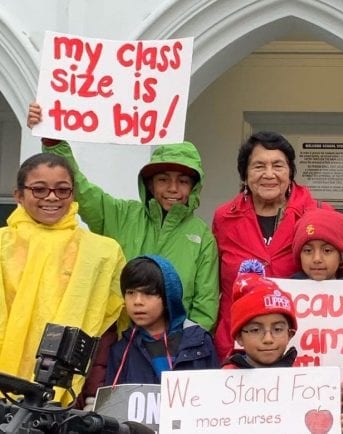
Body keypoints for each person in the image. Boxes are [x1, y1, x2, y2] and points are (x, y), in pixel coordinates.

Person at [27, 103, 219, 332]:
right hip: (119, 343)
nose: (173, 188)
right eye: (163, 179)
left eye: (183, 181)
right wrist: (53, 143)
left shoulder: (202, 236)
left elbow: (205, 307)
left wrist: (185, 348)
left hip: (174, 353)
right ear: (149, 184)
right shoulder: (122, 215)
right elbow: (83, 190)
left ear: (194, 187)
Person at [0, 153, 125, 401]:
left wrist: (93, 390)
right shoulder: (3, 244)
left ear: (73, 194)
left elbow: (110, 328)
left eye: (62, 190)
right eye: (39, 189)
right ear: (18, 196)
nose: (51, 197)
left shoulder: (102, 252)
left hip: (69, 389)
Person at [212, 131, 332, 360]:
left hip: (303, 347)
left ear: (290, 172)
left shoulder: (317, 214)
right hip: (236, 348)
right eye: (258, 166)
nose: (269, 174)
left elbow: (342, 275)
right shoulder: (223, 218)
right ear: (245, 175)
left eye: (278, 165)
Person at [106, 255, 219, 385]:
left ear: (168, 298)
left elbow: (214, 395)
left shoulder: (199, 341)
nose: (137, 302)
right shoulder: (121, 350)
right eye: (130, 293)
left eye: (148, 293)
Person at [222, 260, 298, 369]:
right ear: (239, 337)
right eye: (255, 330)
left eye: (277, 329)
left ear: (290, 334)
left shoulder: (300, 379)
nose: (268, 339)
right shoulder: (224, 379)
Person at [291, 207, 343, 280]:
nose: (316, 259)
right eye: (308, 251)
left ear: (341, 256)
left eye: (327, 250)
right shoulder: (284, 289)